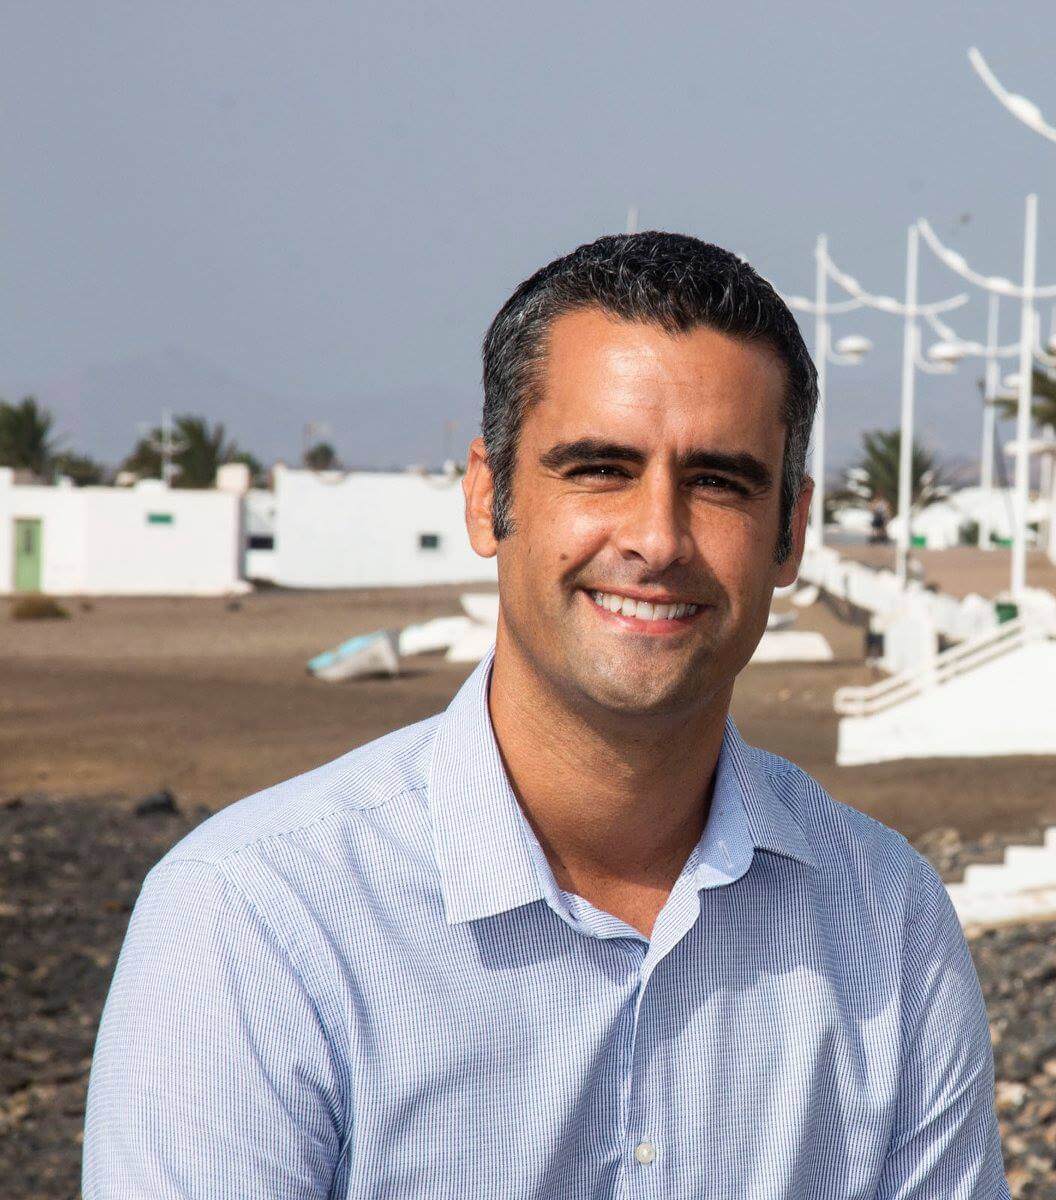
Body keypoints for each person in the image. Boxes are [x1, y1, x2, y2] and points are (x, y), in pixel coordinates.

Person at [84, 233, 1008, 1198]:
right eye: (600, 468)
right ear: (488, 498)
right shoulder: (256, 923)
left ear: (791, 533)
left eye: (719, 482)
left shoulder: (887, 924)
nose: (657, 538)